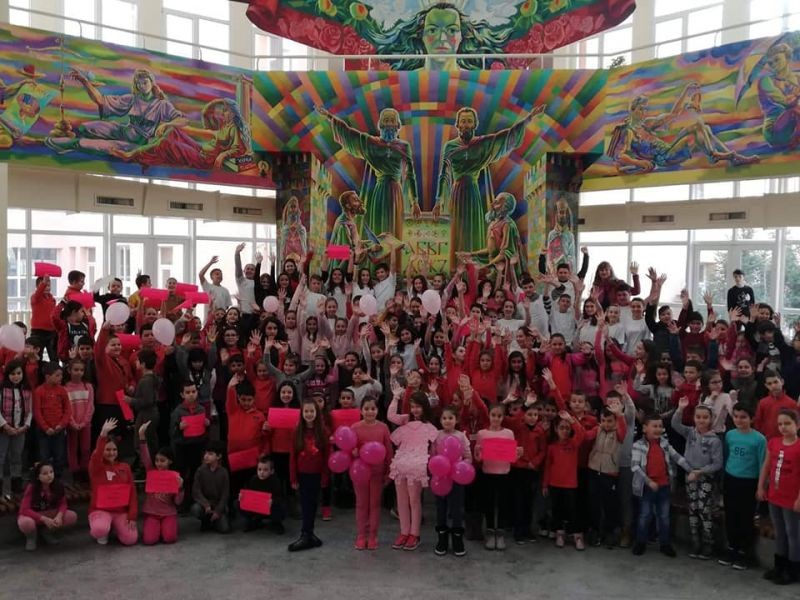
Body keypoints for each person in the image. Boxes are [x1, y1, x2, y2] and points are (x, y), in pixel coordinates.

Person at [432, 105, 545, 267]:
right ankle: (456, 268)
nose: (465, 125)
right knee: (457, 231)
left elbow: (504, 137)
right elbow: (443, 174)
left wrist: (528, 119)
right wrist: (438, 201)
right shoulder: (450, 146)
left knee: (473, 230)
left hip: (472, 193)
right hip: (456, 194)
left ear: (474, 125)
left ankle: (474, 269)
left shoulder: (482, 143)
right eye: (463, 121)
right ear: (457, 124)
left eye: (469, 121)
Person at [317, 106, 420, 252]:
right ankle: (375, 260)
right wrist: (330, 117)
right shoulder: (371, 143)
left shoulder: (404, 146)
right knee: (377, 230)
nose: (389, 124)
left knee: (393, 230)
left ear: (397, 124)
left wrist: (414, 201)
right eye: (386, 120)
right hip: (379, 192)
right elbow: (351, 134)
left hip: (396, 194)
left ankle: (389, 261)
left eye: (392, 120)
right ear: (381, 124)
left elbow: (410, 175)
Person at [631, 414, 692, 557]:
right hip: (646, 488)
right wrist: (649, 481)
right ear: (645, 428)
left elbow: (677, 457)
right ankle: (640, 542)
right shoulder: (638, 445)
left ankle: (665, 544)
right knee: (645, 515)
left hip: (664, 486)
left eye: (660, 426)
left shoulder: (665, 444)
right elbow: (635, 467)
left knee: (664, 516)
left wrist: (691, 469)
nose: (658, 429)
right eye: (654, 426)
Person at [387, 390, 438, 551]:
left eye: (418, 406)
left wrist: (431, 465)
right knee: (401, 501)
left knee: (414, 500)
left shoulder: (429, 426)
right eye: (413, 406)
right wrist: (395, 397)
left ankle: (415, 534)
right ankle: (404, 532)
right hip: (401, 463)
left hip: (417, 466)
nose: (415, 409)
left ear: (424, 407)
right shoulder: (405, 420)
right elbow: (390, 416)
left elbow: (434, 449)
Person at [672, 400, 723, 560]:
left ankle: (708, 543)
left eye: (705, 417)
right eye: (698, 417)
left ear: (711, 419)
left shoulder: (715, 440)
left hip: (705, 478)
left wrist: (700, 472)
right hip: (690, 476)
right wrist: (680, 409)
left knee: (704, 510)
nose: (701, 420)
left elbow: (717, 463)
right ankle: (695, 541)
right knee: (692, 508)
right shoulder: (690, 433)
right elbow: (675, 424)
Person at [721, 403, 766, 570]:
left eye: (743, 417)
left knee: (746, 517)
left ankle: (744, 551)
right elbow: (726, 456)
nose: (739, 420)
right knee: (731, 515)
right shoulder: (730, 435)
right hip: (731, 479)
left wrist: (761, 487)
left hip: (749, 482)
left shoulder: (759, 439)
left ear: (751, 419)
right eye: (736, 416)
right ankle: (732, 547)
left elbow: (763, 464)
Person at [758, 409, 800, 585]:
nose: (783, 427)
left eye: (787, 423)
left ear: (797, 425)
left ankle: (793, 570)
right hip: (774, 495)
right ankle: (780, 566)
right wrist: (761, 486)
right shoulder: (773, 443)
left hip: (792, 498)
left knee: (793, 533)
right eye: (780, 424)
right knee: (779, 531)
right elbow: (766, 466)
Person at [475, 403, 521, 551]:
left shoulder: (508, 433)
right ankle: (490, 532)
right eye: (493, 415)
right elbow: (479, 458)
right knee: (488, 503)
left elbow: (512, 457)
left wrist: (518, 454)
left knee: (503, 504)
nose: (496, 418)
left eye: (499, 416)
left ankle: (500, 533)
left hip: (504, 474)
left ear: (503, 417)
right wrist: (478, 454)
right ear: (489, 416)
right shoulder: (482, 434)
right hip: (487, 473)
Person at [351, 395, 393, 550]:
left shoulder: (383, 428)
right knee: (361, 504)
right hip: (360, 473)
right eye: (366, 409)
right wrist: (353, 453)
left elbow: (389, 451)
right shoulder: (355, 427)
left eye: (373, 409)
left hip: (377, 473)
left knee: (374, 504)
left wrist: (389, 471)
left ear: (377, 410)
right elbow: (349, 449)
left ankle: (373, 535)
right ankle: (362, 535)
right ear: (361, 410)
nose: (370, 412)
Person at [88, 418, 138, 546]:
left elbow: (132, 493)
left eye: (114, 450)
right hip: (101, 510)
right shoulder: (96, 467)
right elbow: (96, 455)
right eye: (108, 450)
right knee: (100, 529)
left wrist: (132, 516)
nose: (111, 453)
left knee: (131, 539)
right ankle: (104, 529)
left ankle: (115, 527)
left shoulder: (125, 467)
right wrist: (103, 435)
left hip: (120, 511)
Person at [288, 399, 330, 552]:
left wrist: (325, 477)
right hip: (302, 474)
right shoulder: (297, 431)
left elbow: (327, 457)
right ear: (302, 413)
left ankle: (309, 534)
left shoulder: (323, 431)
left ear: (317, 413)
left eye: (312, 411)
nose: (309, 414)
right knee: (305, 505)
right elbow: (293, 456)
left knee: (312, 505)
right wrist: (293, 477)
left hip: (317, 474)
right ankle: (306, 534)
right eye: (306, 411)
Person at [542, 410, 585, 550]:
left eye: (567, 428)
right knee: (557, 510)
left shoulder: (574, 444)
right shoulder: (552, 447)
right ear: (556, 429)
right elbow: (547, 467)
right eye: (562, 428)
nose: (565, 431)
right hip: (555, 484)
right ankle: (559, 533)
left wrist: (572, 421)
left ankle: (577, 535)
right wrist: (545, 484)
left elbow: (582, 434)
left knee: (573, 511)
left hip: (570, 484)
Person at [433, 405, 472, 556]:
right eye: (444, 418)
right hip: (440, 479)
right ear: (440, 420)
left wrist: (460, 468)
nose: (447, 421)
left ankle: (457, 540)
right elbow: (433, 456)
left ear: (456, 420)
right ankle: (441, 540)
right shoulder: (437, 435)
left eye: (450, 418)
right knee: (440, 509)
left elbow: (468, 457)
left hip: (457, 479)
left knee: (456, 510)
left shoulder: (461, 436)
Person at [138, 421, 183, 545]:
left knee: (169, 538)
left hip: (168, 513)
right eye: (157, 460)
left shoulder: (175, 476)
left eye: (162, 461)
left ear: (170, 461)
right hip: (152, 513)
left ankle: (165, 528)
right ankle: (154, 528)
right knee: (149, 540)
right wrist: (141, 435)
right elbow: (145, 456)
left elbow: (178, 502)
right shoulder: (151, 471)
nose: (159, 463)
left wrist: (180, 488)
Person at [17, 461, 78, 551]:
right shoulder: (32, 487)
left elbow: (63, 503)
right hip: (34, 514)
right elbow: (24, 509)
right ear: (38, 476)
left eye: (51, 472)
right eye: (45, 473)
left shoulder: (58, 485)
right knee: (26, 523)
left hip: (50, 512)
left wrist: (59, 516)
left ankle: (47, 532)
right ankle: (31, 538)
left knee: (71, 516)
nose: (49, 475)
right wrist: (43, 519)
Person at [0, 360, 32, 497]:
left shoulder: (27, 390)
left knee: (17, 456)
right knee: (1, 456)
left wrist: (25, 426)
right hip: (3, 430)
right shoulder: (2, 390)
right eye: (12, 373)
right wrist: (5, 426)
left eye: (19, 373)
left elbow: (30, 410)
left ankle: (16, 483)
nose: (16, 376)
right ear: (7, 374)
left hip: (20, 429)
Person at [33, 362, 71, 477]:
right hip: (44, 431)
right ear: (48, 376)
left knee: (59, 455)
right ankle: (44, 478)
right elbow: (37, 412)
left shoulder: (62, 390)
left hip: (59, 430)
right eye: (57, 375)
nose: (61, 377)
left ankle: (57, 478)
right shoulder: (39, 391)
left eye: (61, 375)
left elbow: (68, 409)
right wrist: (46, 428)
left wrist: (61, 425)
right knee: (44, 456)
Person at [239, 455, 286, 534]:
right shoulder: (254, 479)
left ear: (272, 471)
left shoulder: (275, 481)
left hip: (270, 507)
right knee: (238, 502)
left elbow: (281, 498)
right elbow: (249, 494)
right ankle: (255, 521)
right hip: (258, 507)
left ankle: (276, 523)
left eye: (265, 470)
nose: (261, 472)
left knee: (281, 506)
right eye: (259, 469)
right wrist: (242, 497)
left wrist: (273, 501)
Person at [191, 441, 231, 533]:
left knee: (225, 529)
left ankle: (214, 520)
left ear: (219, 456)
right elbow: (196, 491)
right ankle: (205, 520)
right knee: (195, 509)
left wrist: (218, 511)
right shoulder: (200, 470)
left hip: (217, 504)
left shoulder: (224, 472)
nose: (206, 456)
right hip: (204, 504)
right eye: (205, 453)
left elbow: (225, 494)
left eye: (210, 454)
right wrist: (205, 504)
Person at [64, 359, 94, 479]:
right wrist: (72, 423)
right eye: (76, 370)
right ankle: (74, 470)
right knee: (72, 447)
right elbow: (66, 408)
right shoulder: (65, 388)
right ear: (69, 370)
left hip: (85, 424)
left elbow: (90, 406)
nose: (79, 372)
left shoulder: (88, 386)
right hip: (72, 424)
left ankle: (85, 469)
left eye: (81, 370)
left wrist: (85, 422)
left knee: (86, 448)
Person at [754, 371, 798, 440]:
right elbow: (758, 422)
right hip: (767, 440)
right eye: (769, 383)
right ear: (766, 385)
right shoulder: (762, 402)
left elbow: (796, 424)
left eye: (776, 382)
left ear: (782, 382)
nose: (773, 386)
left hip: (785, 440)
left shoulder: (792, 403)